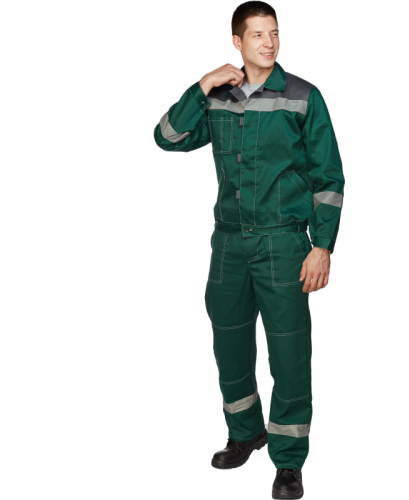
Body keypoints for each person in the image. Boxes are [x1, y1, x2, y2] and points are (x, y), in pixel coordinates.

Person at [153, 2, 345, 498]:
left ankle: (288, 460)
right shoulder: (218, 98)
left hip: (283, 241)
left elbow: (329, 177)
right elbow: (168, 137)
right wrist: (202, 85)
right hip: (228, 243)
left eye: (274, 33)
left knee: (289, 352)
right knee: (230, 344)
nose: (269, 42)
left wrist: (322, 246)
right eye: (258, 34)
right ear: (237, 42)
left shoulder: (302, 96)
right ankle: (245, 433)